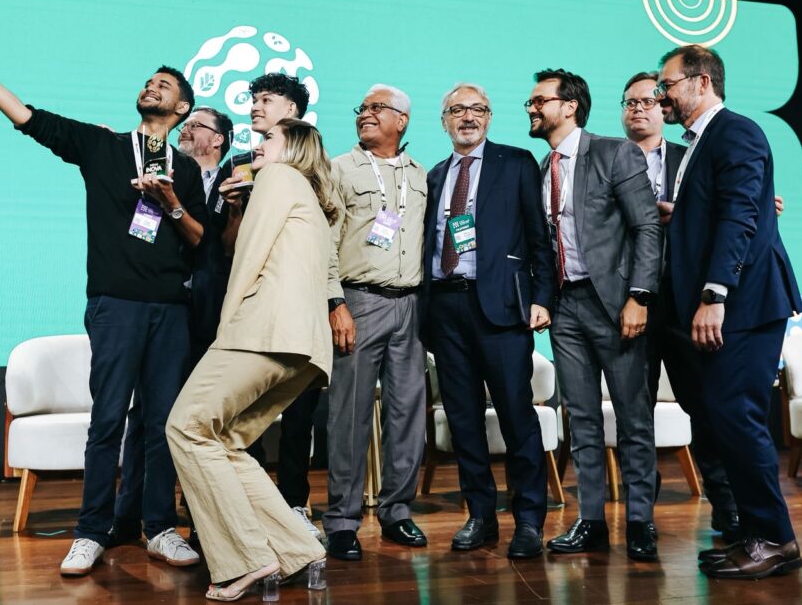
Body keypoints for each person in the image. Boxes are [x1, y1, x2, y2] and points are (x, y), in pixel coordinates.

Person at [0, 9, 206, 576]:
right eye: (148, 82)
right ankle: (90, 532)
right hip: (115, 305)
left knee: (162, 425)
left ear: (181, 108)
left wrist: (170, 204)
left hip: (171, 310)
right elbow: (26, 116)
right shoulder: (102, 146)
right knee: (107, 420)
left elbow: (200, 240)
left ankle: (160, 527)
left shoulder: (185, 168)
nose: (152, 87)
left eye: (164, 85)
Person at [166, 119, 336, 600]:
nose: (257, 146)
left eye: (268, 139)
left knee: (186, 427)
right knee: (224, 441)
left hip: (262, 331)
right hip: (303, 347)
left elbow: (248, 258)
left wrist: (226, 328)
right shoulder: (309, 194)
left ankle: (248, 557)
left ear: (293, 149)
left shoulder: (278, 177)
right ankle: (298, 547)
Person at [656, 45, 802, 579]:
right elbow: (719, 209)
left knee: (738, 418)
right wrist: (680, 215)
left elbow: (741, 215)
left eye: (667, 84)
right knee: (725, 419)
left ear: (701, 82)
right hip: (733, 304)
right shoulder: (701, 141)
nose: (661, 95)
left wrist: (714, 295)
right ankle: (752, 535)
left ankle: (776, 541)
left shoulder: (735, 132)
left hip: (744, 304)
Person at [528, 69, 662, 561]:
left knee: (632, 417)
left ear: (569, 106)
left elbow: (646, 227)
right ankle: (591, 520)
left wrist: (639, 296)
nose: (532, 108)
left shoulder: (614, 153)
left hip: (616, 303)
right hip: (566, 307)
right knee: (580, 418)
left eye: (540, 100)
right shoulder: (542, 168)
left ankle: (640, 521)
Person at [422, 83, 555, 558]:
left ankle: (529, 520)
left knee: (517, 417)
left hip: (502, 309)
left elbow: (540, 238)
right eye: (457, 110)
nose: (468, 117)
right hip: (446, 309)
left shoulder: (515, 163)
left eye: (477, 109)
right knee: (463, 420)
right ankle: (480, 516)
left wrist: (543, 298)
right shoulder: (434, 176)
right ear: (444, 120)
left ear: (490, 117)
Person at [619, 71, 740, 540]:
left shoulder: (691, 155)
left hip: (686, 300)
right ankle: (639, 516)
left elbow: (730, 206)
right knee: (634, 412)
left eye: (649, 100)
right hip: (630, 303)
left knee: (704, 405)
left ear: (663, 107)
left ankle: (727, 508)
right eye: (630, 102)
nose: (639, 108)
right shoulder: (606, 160)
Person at [110, 106, 236, 550]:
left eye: (197, 125)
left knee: (205, 419)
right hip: (163, 306)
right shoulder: (159, 169)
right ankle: (128, 515)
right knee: (146, 414)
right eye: (187, 123)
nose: (186, 130)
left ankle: (204, 520)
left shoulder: (235, 180)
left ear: (218, 140)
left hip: (212, 314)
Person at [323, 84, 428, 560]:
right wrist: (334, 303)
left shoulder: (421, 174)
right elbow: (326, 242)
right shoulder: (338, 168)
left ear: (401, 120)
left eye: (377, 108)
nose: (365, 114)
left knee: (408, 414)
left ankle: (397, 511)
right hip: (359, 301)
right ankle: (343, 520)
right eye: (362, 108)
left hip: (411, 306)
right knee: (349, 414)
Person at [218, 73, 324, 540]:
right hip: (252, 310)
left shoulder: (315, 165)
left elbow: (328, 243)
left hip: (298, 310)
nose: (255, 106)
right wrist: (236, 208)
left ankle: (294, 504)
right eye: (253, 99)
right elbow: (231, 250)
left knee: (298, 416)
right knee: (244, 419)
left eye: (267, 99)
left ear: (293, 110)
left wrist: (334, 302)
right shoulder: (242, 164)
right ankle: (252, 509)